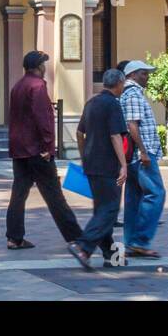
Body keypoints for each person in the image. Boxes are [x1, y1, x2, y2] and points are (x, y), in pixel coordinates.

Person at [5, 50, 82, 250]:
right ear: (39, 66)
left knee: (18, 193)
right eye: (44, 64)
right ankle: (75, 237)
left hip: (20, 148)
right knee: (54, 195)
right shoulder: (38, 86)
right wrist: (49, 146)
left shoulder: (18, 86)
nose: (45, 67)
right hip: (37, 149)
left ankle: (14, 237)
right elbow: (44, 120)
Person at [68, 68, 129, 270]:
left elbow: (79, 133)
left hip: (92, 164)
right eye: (123, 84)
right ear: (118, 84)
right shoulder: (113, 104)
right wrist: (123, 165)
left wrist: (84, 155)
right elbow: (115, 136)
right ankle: (83, 247)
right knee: (110, 210)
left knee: (102, 209)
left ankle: (111, 255)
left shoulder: (91, 102)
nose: (123, 87)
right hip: (107, 165)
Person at [119, 59, 165, 258]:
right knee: (156, 193)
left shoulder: (128, 93)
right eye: (143, 73)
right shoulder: (133, 94)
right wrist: (144, 152)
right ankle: (140, 240)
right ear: (132, 75)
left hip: (136, 156)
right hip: (141, 156)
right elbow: (132, 125)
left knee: (134, 198)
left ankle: (131, 242)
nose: (147, 77)